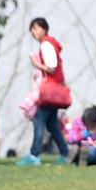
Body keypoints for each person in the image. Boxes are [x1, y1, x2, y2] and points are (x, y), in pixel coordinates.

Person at [18, 17, 69, 166]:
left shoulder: (46, 44)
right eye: (32, 30)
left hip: (49, 92)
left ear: (44, 28)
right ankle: (65, 152)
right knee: (52, 124)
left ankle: (34, 155)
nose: (34, 32)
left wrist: (37, 64)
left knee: (39, 121)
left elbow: (51, 67)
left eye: (36, 28)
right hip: (55, 90)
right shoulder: (50, 43)